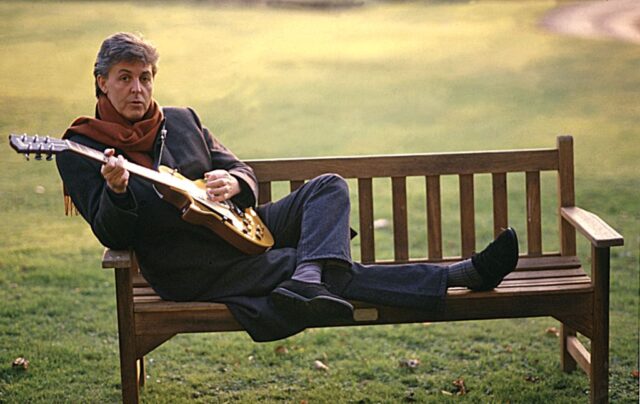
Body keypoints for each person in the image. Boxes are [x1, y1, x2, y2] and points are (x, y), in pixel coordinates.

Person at [56, 32, 519, 342]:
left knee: (327, 188)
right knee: (322, 265)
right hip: (191, 264)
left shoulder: (181, 120)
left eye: (145, 78)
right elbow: (113, 233)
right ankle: (460, 277)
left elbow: (238, 167)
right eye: (125, 78)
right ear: (102, 82)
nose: (138, 89)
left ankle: (307, 280)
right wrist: (117, 190)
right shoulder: (83, 147)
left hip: (238, 225)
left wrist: (232, 181)